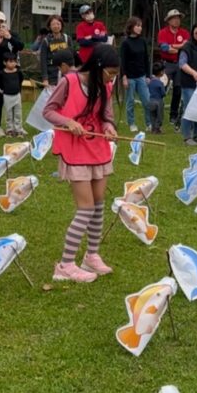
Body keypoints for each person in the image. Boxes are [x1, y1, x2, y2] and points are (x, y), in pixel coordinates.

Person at [43, 44, 119, 283]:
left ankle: (91, 255)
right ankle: (65, 265)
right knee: (86, 208)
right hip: (75, 149)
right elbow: (48, 111)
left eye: (115, 75)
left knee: (98, 204)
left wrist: (109, 127)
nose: (112, 79)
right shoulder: (69, 81)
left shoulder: (106, 86)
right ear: (97, 66)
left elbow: (106, 117)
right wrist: (68, 122)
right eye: (110, 73)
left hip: (97, 148)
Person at [0, 11, 24, 138]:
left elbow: (20, 46)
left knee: (16, 98)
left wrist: (9, 37)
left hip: (14, 71)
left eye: (2, 21)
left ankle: (17, 126)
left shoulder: (13, 34)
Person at [157, 9, 189, 125]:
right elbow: (165, 48)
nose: (177, 20)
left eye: (178, 18)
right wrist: (180, 46)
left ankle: (173, 115)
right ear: (169, 20)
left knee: (178, 90)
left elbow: (186, 46)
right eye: (174, 18)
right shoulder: (163, 32)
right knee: (162, 88)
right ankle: (157, 114)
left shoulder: (184, 33)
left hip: (180, 63)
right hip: (167, 64)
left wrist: (173, 47)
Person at [120, 16, 151, 133]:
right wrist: (124, 77)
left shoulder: (142, 41)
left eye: (141, 26)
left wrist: (148, 75)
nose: (140, 28)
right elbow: (123, 61)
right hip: (130, 77)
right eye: (137, 25)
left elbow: (146, 59)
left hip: (141, 76)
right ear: (131, 27)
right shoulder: (125, 43)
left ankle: (149, 123)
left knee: (147, 100)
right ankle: (131, 123)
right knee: (130, 101)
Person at [0, 52, 26, 137]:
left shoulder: (18, 72)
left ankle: (18, 130)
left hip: (17, 95)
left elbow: (21, 79)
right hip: (7, 96)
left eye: (14, 61)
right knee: (8, 113)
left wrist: (18, 88)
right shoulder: (1, 73)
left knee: (18, 113)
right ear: (5, 62)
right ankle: (9, 130)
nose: (13, 63)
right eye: (10, 61)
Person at [40, 15, 72, 87]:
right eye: (53, 24)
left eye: (58, 24)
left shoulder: (67, 39)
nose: (56, 26)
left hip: (65, 73)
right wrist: (45, 78)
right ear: (49, 26)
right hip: (52, 74)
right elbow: (43, 60)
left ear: (62, 25)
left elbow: (71, 57)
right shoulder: (46, 41)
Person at [147, 62, 166, 134]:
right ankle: (157, 128)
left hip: (151, 100)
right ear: (161, 72)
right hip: (158, 101)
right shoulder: (160, 83)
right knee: (159, 116)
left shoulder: (150, 82)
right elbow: (163, 93)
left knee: (152, 115)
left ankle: (153, 128)